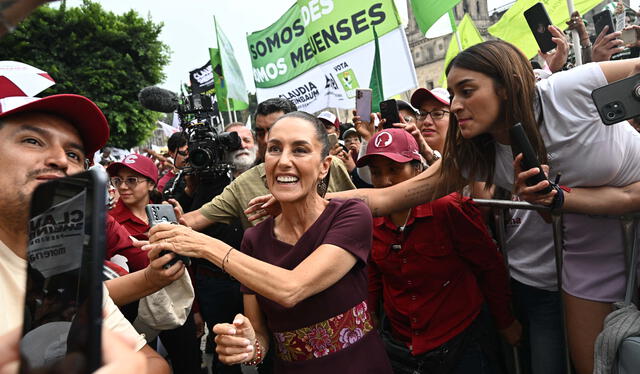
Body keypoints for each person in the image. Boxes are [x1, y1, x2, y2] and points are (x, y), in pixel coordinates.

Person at [248, 41, 640, 374]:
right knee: (599, 364)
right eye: (452, 94)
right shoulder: (477, 156)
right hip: (589, 248)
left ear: (507, 85)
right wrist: (305, 199)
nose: (455, 105)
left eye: (467, 91)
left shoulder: (570, 89)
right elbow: (387, 198)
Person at [143, 111, 393, 373]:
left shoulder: (349, 215)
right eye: (274, 149)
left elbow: (292, 288)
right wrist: (248, 347)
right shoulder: (254, 239)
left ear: (324, 166)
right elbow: (260, 339)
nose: (284, 161)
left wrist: (206, 246)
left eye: (299, 150)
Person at [0, 92, 169, 373]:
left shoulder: (71, 274)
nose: (60, 160)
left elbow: (154, 363)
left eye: (74, 154)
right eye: (32, 140)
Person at [361, 128, 518, 373]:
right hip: (403, 346)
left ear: (417, 168)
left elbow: (488, 266)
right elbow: (373, 277)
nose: (385, 181)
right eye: (376, 172)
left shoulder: (448, 208)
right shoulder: (371, 219)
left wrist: (505, 321)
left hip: (460, 340)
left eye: (394, 169)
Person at [106, 153, 201, 374]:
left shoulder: (166, 215)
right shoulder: (109, 223)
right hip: (133, 314)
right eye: (118, 180)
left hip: (176, 305)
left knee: (189, 364)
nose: (123, 187)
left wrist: (195, 310)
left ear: (150, 183)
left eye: (131, 180)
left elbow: (184, 266)